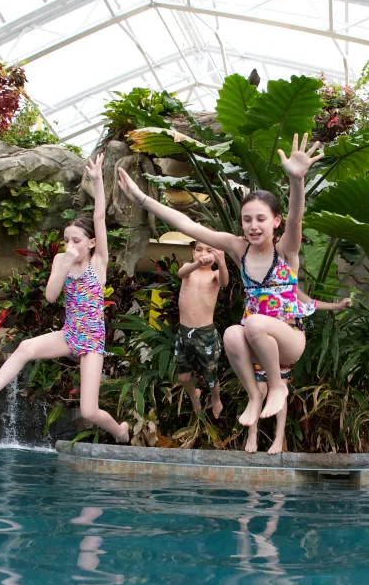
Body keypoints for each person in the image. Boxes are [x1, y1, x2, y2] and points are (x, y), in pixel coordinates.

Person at [115, 133, 322, 427]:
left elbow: (296, 219)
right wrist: (142, 198)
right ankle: (254, 396)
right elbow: (187, 224)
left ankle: (276, 386)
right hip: (256, 338)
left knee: (251, 322)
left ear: (275, 222)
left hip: (289, 338)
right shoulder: (239, 249)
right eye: (247, 219)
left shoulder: (284, 250)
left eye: (261, 219)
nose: (253, 226)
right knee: (231, 334)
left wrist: (297, 180)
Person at [0, 153, 130, 443]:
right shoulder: (60, 261)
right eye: (67, 240)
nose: (70, 245)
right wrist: (65, 264)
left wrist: (97, 181)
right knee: (25, 348)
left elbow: (100, 217)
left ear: (91, 243)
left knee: (89, 411)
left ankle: (120, 431)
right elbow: (52, 296)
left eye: (76, 241)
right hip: (69, 335)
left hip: (92, 340)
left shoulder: (99, 263)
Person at [243, 289, 350, 455]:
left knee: (277, 389)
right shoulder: (258, 282)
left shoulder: (289, 283)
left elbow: (310, 302)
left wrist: (337, 306)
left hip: (287, 340)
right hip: (262, 340)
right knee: (260, 389)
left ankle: (279, 438)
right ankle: (252, 434)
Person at [174, 241, 229, 418]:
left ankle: (216, 398)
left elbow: (224, 282)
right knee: (183, 376)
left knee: (210, 376)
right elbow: (180, 272)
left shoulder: (214, 275)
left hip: (205, 334)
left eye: (209, 251)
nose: (203, 254)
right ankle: (194, 394)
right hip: (184, 333)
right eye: (199, 250)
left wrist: (221, 262)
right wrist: (198, 263)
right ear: (193, 253)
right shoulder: (188, 271)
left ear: (216, 255)